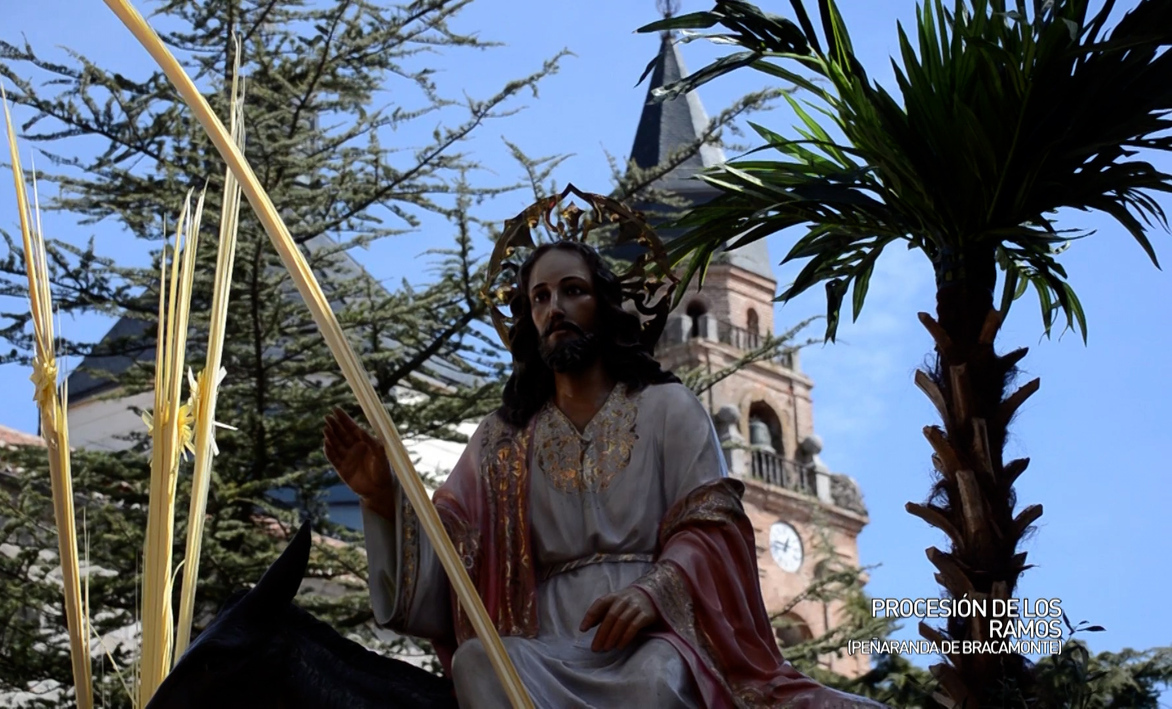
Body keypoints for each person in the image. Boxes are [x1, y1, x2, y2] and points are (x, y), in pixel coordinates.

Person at [323, 239, 883, 708]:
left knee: (655, 680)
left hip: (656, 630)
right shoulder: (503, 439)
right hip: (547, 638)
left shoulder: (667, 408)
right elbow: (451, 546)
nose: (554, 307)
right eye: (539, 297)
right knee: (481, 661)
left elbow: (711, 524)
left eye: (573, 290)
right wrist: (384, 499)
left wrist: (655, 593)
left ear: (605, 305)